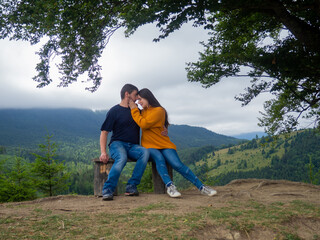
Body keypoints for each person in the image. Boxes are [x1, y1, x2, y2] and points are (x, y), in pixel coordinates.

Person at [129, 88, 217, 198]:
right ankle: (170, 186)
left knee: (177, 164)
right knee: (159, 159)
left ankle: (201, 187)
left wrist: (134, 109)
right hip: (149, 145)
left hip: (164, 144)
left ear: (148, 97)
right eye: (138, 100)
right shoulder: (144, 110)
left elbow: (144, 124)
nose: (139, 102)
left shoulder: (159, 110)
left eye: (140, 99)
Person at [100, 84, 150, 201]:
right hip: (117, 144)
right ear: (127, 94)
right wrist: (103, 152)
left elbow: (149, 120)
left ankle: (131, 186)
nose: (137, 98)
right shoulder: (114, 111)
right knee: (121, 158)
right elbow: (104, 132)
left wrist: (164, 127)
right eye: (135, 95)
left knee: (145, 153)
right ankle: (108, 189)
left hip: (133, 146)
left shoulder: (136, 111)